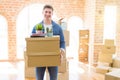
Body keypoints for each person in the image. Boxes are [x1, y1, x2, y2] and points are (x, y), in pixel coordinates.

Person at [31, 4, 65, 80]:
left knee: (53, 78)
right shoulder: (37, 27)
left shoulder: (58, 27)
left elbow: (62, 42)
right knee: (39, 78)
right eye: (46, 12)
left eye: (50, 12)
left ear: (52, 14)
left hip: (53, 57)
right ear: (42, 12)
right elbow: (32, 41)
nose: (47, 14)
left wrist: (62, 50)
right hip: (40, 57)